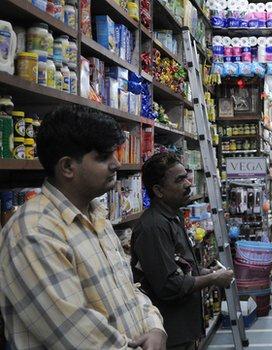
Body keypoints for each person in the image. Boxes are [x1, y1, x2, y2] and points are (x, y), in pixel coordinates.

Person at [0, 105, 166, 349]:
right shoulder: (34, 232)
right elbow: (79, 336)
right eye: (103, 157)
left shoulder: (96, 216)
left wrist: (154, 327)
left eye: (114, 153)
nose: (116, 164)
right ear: (67, 167)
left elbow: (128, 291)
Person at [131, 152, 234, 349]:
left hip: (184, 328)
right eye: (180, 180)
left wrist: (202, 272)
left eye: (186, 177)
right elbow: (169, 285)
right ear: (159, 191)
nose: (188, 184)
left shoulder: (173, 215)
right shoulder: (153, 227)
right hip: (170, 334)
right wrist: (213, 279)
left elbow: (177, 264)